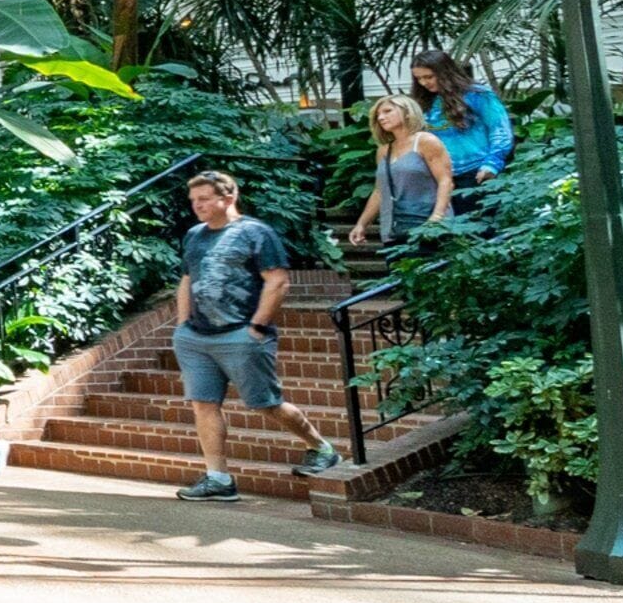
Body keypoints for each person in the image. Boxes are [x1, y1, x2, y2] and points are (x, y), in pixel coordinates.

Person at [170, 171, 347, 500]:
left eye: (204, 199)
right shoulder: (194, 235)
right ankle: (218, 479)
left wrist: (257, 326)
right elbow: (186, 279)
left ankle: (321, 448)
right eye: (194, 200)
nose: (197, 206)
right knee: (203, 405)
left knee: (265, 404)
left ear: (228, 198)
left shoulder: (256, 233)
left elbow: (277, 281)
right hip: (196, 337)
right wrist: (182, 324)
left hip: (241, 334)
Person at [347, 96, 455, 248]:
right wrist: (362, 224)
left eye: (387, 111)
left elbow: (445, 181)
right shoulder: (384, 150)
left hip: (428, 223)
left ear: (407, 112)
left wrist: (437, 217)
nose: (381, 117)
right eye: (378, 115)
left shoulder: (426, 141)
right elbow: (379, 191)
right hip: (394, 227)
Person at [409, 51, 513, 186]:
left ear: (445, 73)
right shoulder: (421, 101)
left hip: (478, 173)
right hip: (438, 177)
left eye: (429, 77)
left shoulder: (477, 95)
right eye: (418, 78)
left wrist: (492, 164)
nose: (423, 83)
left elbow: (500, 130)